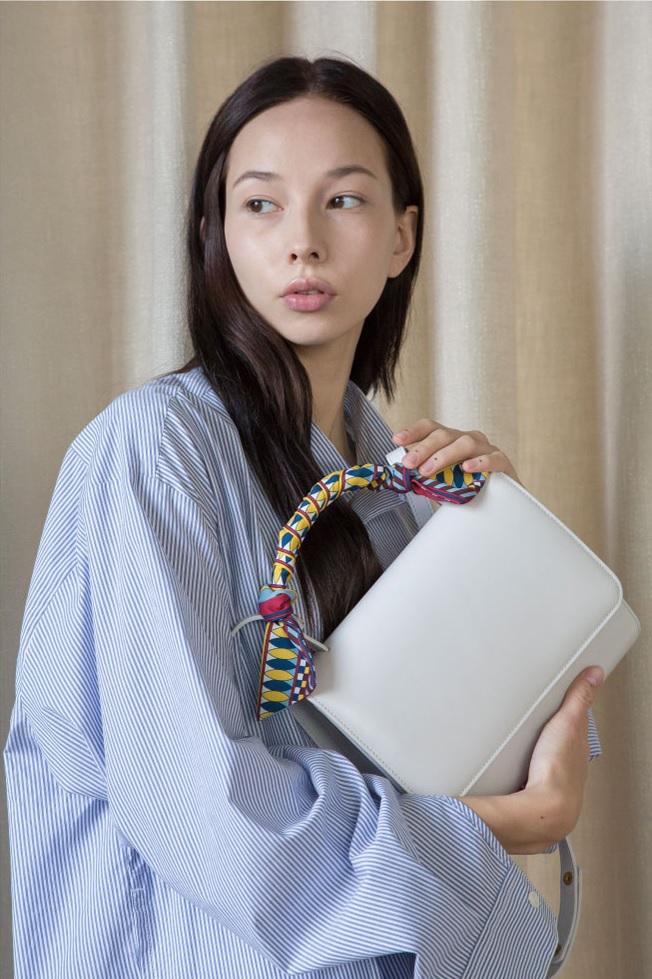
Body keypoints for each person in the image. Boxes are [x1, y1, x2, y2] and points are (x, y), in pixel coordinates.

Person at [3, 55, 603, 979]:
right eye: (261, 204)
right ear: (215, 234)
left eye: (344, 200)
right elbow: (210, 814)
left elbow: (489, 751)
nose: (303, 243)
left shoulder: (397, 479)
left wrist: (497, 549)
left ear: (402, 236)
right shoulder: (155, 448)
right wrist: (489, 826)